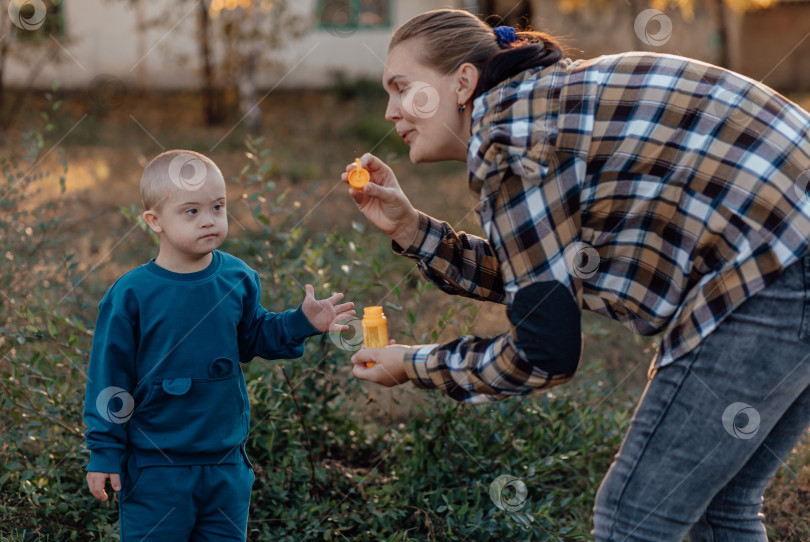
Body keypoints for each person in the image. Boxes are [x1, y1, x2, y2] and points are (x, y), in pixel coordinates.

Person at [343, 8, 810, 542]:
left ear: (464, 83)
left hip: (779, 264)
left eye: (402, 88)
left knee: (633, 515)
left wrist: (413, 364)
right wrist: (411, 229)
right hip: (789, 252)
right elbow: (540, 278)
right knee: (720, 507)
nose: (389, 111)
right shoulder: (537, 105)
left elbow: (546, 351)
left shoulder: (514, 141)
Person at [83, 149, 354, 540]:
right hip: (156, 467)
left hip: (226, 464)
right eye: (191, 211)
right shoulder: (132, 294)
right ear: (154, 221)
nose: (209, 219)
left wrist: (302, 322)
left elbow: (254, 337)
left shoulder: (237, 277)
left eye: (218, 206)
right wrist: (105, 451)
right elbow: (109, 380)